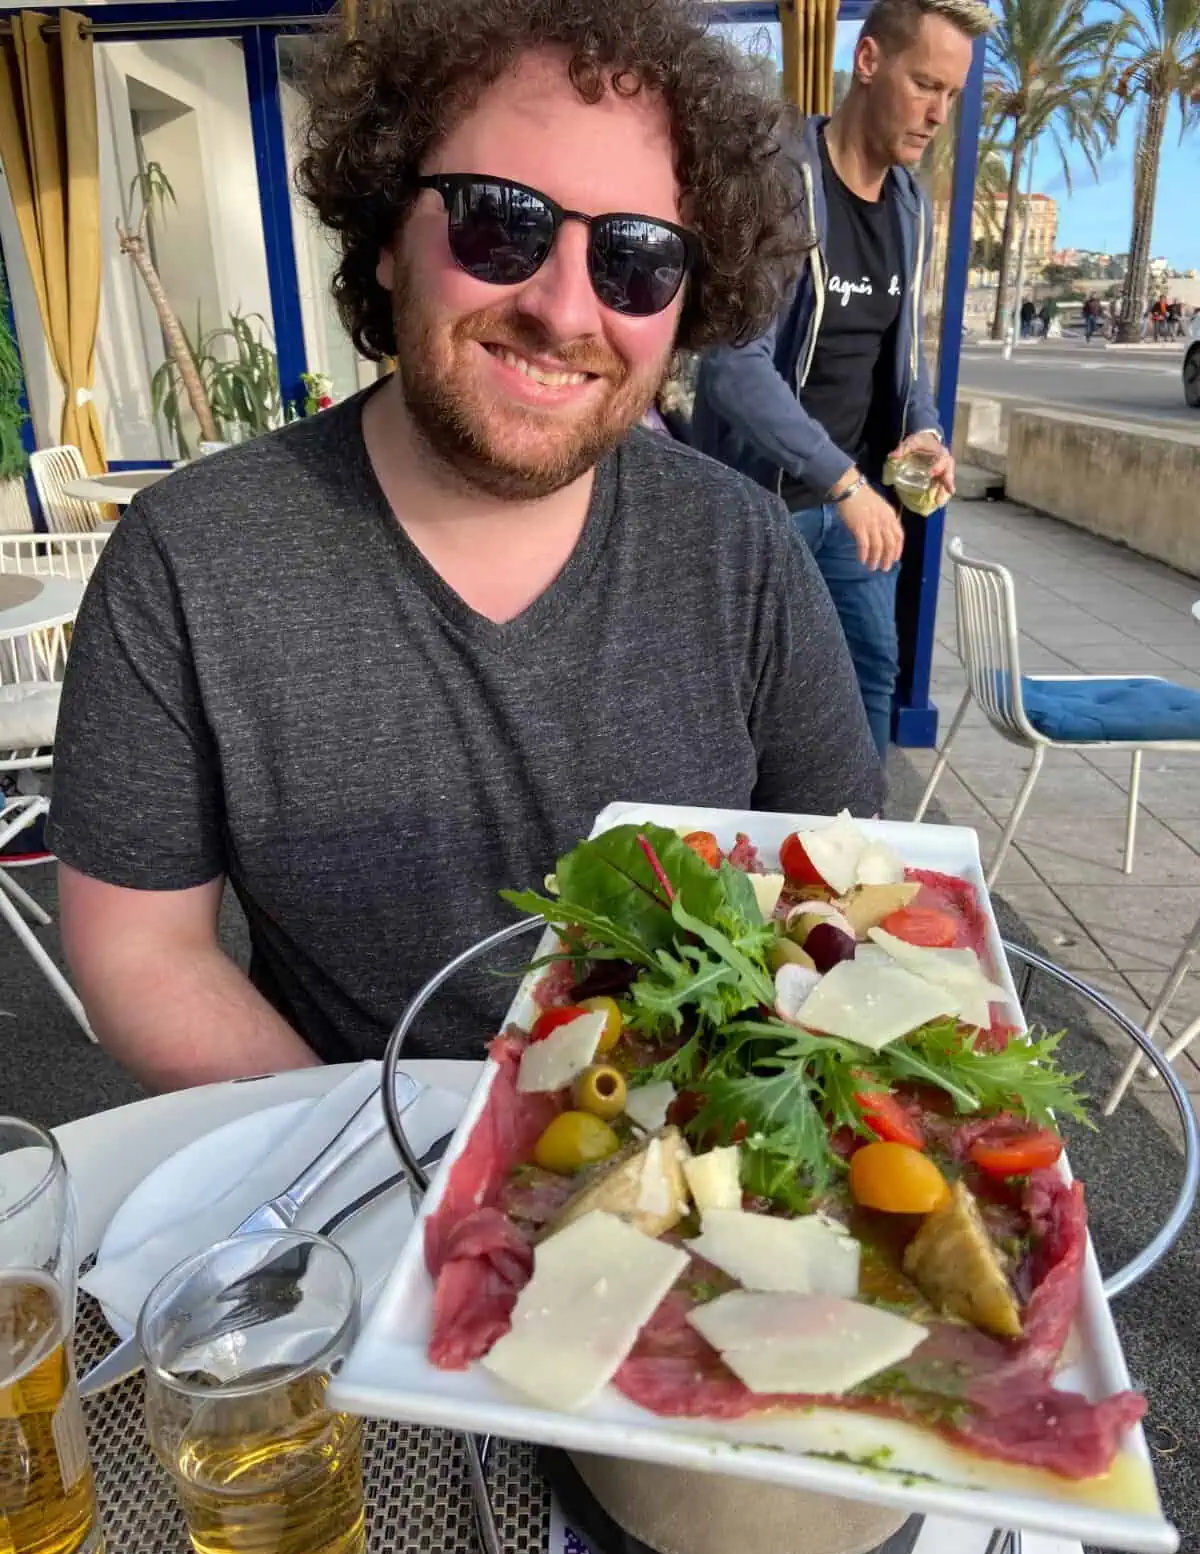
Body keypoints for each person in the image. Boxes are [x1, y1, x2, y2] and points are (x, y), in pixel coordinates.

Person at [47, 0, 883, 1092]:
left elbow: (856, 888)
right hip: (345, 1166)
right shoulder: (189, 562)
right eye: (501, 222)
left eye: (637, 259)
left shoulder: (743, 553)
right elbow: (141, 948)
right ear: (392, 233)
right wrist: (406, 1175)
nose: (564, 309)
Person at [691, 0, 992, 756]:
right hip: (768, 506)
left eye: (951, 96)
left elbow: (905, 358)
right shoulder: (782, 181)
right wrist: (843, 483)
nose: (936, 113)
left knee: (868, 695)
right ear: (868, 61)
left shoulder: (909, 208)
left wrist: (923, 430)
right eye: (925, 84)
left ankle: (859, 864)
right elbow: (733, 366)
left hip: (860, 518)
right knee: (746, 713)